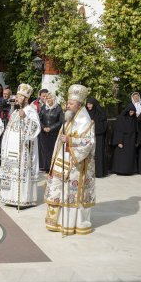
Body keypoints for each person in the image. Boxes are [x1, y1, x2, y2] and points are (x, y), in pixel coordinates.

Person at [45, 84, 96, 235]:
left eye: (71, 103)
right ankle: (56, 222)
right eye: (68, 102)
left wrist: (71, 140)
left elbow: (89, 143)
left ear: (79, 105)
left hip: (75, 166)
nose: (68, 105)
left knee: (71, 194)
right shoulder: (69, 118)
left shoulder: (85, 122)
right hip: (61, 162)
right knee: (57, 191)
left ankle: (72, 224)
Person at [0, 84, 41, 208]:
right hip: (11, 150)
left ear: (26, 99)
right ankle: (9, 197)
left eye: (19, 97)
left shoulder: (31, 111)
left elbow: (36, 129)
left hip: (23, 150)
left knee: (21, 172)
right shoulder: (16, 112)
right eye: (16, 97)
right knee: (10, 172)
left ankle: (22, 199)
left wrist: (26, 118)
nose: (16, 99)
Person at [111, 104, 141, 175]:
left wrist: (138, 140)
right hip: (123, 140)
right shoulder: (121, 118)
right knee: (122, 156)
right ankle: (120, 171)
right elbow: (117, 131)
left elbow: (137, 130)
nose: (131, 113)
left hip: (131, 140)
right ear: (127, 111)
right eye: (130, 112)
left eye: (133, 112)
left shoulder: (134, 119)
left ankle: (129, 171)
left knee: (130, 156)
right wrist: (119, 142)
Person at [39, 92, 64, 172]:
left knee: (52, 150)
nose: (48, 100)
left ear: (54, 99)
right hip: (44, 133)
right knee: (44, 150)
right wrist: (43, 127)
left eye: (50, 98)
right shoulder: (43, 107)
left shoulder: (58, 108)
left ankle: (52, 166)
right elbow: (39, 119)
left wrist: (51, 128)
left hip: (54, 133)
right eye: (47, 98)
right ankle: (45, 166)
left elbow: (60, 122)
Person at [86, 97, 108, 178]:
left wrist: (95, 123)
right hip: (88, 137)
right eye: (87, 104)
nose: (88, 106)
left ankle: (99, 172)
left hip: (98, 136)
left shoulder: (100, 113)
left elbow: (104, 125)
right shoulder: (85, 112)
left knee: (98, 153)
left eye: (90, 104)